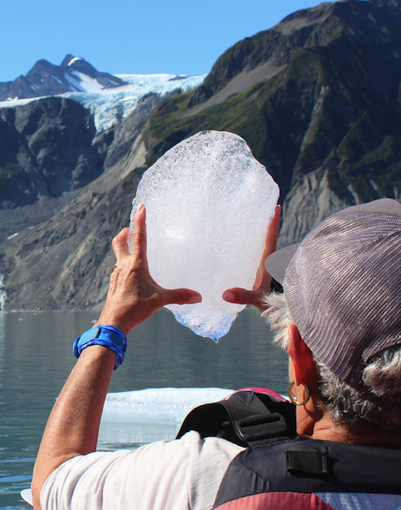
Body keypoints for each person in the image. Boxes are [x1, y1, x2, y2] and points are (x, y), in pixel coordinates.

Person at [31, 199, 401, 510]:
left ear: (302, 358)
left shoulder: (202, 478)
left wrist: (111, 325)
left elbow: (54, 479)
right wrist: (292, 323)